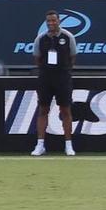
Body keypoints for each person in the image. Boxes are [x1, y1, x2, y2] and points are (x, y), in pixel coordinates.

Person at [31, 9, 77, 157]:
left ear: (59, 21)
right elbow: (37, 59)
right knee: (43, 110)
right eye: (48, 21)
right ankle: (40, 145)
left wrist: (62, 70)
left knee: (65, 111)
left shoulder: (68, 37)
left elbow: (72, 57)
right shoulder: (40, 38)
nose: (51, 23)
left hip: (63, 78)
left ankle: (68, 145)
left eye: (54, 20)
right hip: (45, 78)